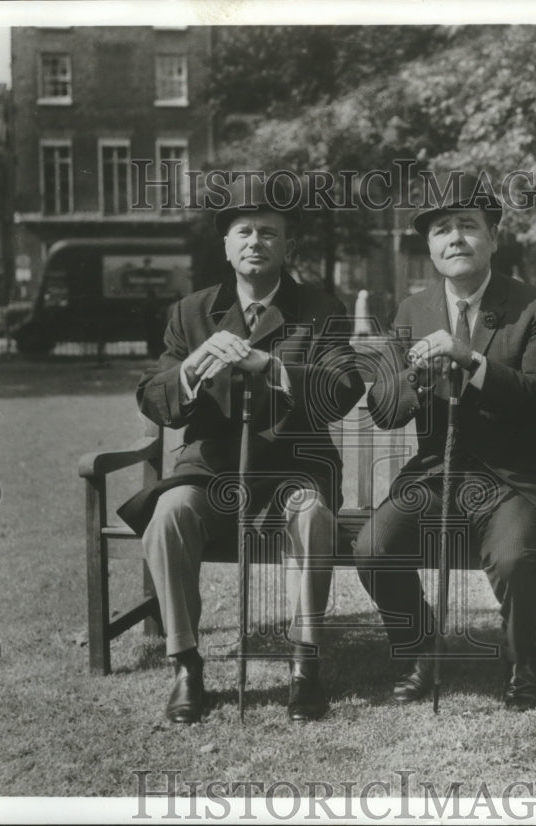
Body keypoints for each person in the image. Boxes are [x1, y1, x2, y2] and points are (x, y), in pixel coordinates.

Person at [118, 178, 365, 723]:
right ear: (226, 246)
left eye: (269, 233)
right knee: (167, 515)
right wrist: (193, 365)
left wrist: (271, 368)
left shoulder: (320, 308)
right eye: (244, 232)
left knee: (313, 515)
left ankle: (305, 665)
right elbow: (153, 395)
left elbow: (343, 387)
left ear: (287, 246)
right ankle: (186, 664)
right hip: (211, 474)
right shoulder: (191, 313)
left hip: (292, 472)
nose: (256, 241)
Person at [354, 172, 536, 710]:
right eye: (442, 230)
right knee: (373, 548)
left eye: (468, 226)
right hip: (438, 474)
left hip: (515, 479)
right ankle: (421, 651)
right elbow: (384, 411)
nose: (455, 239)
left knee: (517, 557)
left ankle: (521, 660)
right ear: (429, 246)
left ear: (493, 237)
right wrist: (404, 376)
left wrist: (469, 360)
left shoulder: (534, 307)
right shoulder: (412, 311)